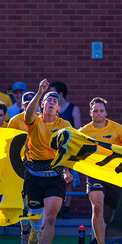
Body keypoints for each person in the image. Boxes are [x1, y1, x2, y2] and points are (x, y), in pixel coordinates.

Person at [23, 79, 73, 244]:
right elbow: (28, 115)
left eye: (54, 100)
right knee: (35, 212)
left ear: (58, 107)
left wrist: (67, 170)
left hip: (54, 175)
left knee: (51, 217)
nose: (51, 102)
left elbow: (69, 150)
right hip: (34, 174)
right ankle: (35, 229)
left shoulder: (64, 124)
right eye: (47, 100)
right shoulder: (34, 120)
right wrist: (39, 92)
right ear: (42, 105)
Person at [79, 97, 122, 244]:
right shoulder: (84, 132)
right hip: (94, 173)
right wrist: (68, 171)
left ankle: (98, 233)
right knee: (97, 205)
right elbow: (72, 151)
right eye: (95, 110)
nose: (98, 113)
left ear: (106, 113)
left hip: (113, 174)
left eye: (101, 110)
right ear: (90, 113)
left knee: (108, 213)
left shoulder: (117, 129)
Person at [7, 91, 35, 244]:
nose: (31, 107)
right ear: (22, 105)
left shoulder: (42, 120)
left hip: (38, 165)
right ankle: (25, 234)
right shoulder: (15, 121)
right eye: (27, 104)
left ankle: (35, 232)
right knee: (23, 203)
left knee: (37, 202)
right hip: (20, 166)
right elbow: (9, 144)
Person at [49, 81, 82, 218]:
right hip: (51, 150)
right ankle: (52, 208)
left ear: (60, 94)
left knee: (68, 179)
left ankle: (66, 208)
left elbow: (78, 131)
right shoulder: (50, 110)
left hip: (68, 150)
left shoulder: (73, 109)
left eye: (53, 92)